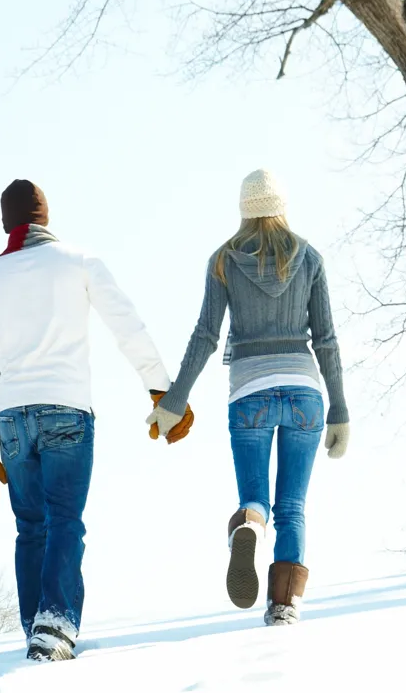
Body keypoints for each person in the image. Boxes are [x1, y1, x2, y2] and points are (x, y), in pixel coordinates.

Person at [0, 179, 193, 662]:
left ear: (6, 223)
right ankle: (55, 624)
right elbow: (127, 324)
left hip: (13, 418)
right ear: (45, 217)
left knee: (31, 527)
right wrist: (161, 389)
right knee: (65, 519)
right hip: (66, 408)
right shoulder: (79, 262)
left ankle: (37, 627)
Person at [147, 169, 349, 626]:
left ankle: (250, 526)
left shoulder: (223, 260)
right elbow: (328, 339)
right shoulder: (310, 258)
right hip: (304, 391)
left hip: (250, 392)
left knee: (256, 497)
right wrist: (339, 408)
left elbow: (205, 336)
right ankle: (283, 604)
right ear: (282, 207)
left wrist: (175, 400)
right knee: (293, 506)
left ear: (244, 210)